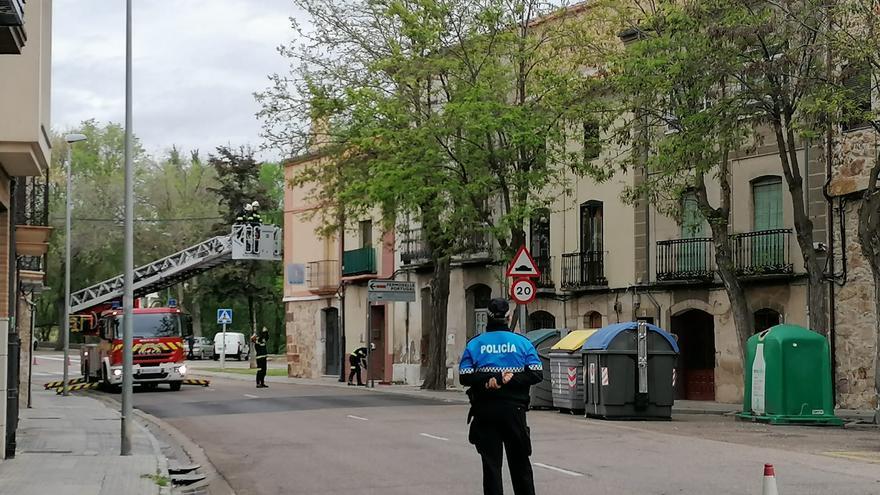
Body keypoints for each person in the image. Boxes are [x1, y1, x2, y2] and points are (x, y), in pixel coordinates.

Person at [459, 298, 542, 495]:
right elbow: (536, 373)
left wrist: (489, 379)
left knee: (491, 467)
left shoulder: (475, 344)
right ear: (509, 317)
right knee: (520, 464)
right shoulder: (523, 343)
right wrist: (509, 379)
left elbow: (464, 376)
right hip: (515, 411)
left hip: (485, 411)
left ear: (487, 317)